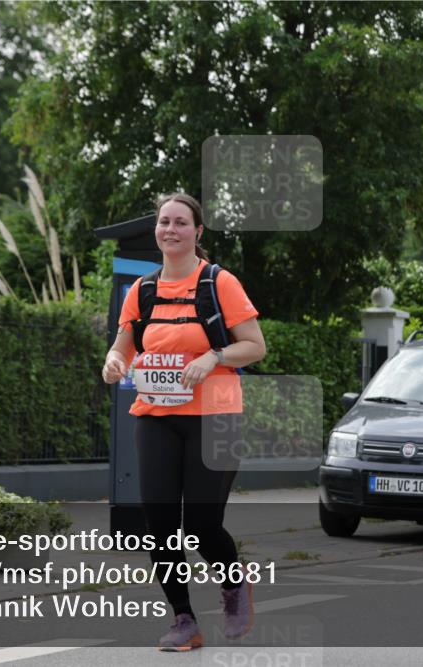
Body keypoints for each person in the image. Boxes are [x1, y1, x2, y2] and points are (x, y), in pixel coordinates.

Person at [101, 192, 266, 650]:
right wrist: (113, 362)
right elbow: (123, 346)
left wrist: (213, 357)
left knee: (201, 524)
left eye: (179, 222)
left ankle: (234, 587)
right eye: (163, 222)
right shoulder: (144, 290)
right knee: (158, 523)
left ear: (197, 232)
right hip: (155, 417)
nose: (169, 230)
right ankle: (184, 620)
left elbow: (255, 346)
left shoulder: (219, 282)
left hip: (214, 418)